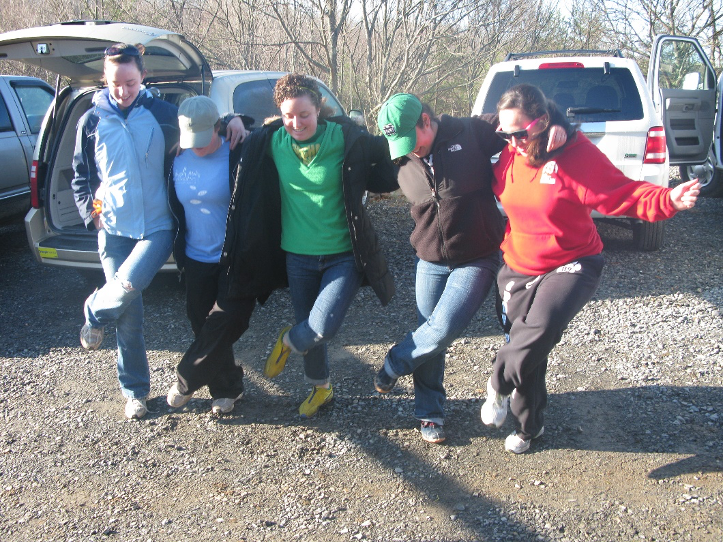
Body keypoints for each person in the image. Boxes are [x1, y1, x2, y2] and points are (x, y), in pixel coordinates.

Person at [480, 83, 700, 453]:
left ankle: (497, 383)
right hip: (519, 267)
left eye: (520, 133)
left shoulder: (574, 155)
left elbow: (624, 191)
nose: (513, 141)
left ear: (542, 122)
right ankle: (529, 427)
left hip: (573, 261)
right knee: (529, 351)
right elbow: (467, 130)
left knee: (541, 326)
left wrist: (668, 199)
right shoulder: (508, 154)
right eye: (506, 133)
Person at [374, 94, 566, 444]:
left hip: (477, 256)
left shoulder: (472, 131)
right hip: (429, 260)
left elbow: (523, 118)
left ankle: (395, 362)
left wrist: (556, 125)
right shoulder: (398, 153)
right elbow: (339, 141)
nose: (408, 151)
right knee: (428, 334)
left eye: (411, 139)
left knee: (443, 327)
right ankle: (430, 412)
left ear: (427, 122)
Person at [72, 44, 244, 419]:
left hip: (156, 227)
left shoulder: (163, 114)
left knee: (128, 287)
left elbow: (202, 118)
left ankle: (94, 309)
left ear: (143, 77)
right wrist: (90, 212)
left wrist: (235, 117)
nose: (123, 90)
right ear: (105, 79)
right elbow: (81, 174)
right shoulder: (91, 121)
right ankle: (134, 391)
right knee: (128, 315)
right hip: (114, 228)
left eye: (130, 82)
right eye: (116, 83)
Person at [225, 73, 398, 419]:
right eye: (288, 115)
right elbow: (233, 139)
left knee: (321, 327)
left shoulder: (346, 138)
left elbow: (392, 155)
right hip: (298, 256)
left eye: (303, 114)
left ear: (318, 108)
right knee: (311, 326)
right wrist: (231, 120)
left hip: (344, 255)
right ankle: (321, 390)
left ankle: (288, 340)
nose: (296, 122)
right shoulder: (272, 142)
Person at [165, 96, 252, 415]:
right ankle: (227, 388)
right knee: (203, 327)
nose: (197, 147)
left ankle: (186, 379)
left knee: (228, 321)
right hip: (195, 259)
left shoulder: (238, 151)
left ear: (219, 127)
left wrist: (239, 117)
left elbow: (273, 129)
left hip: (233, 260)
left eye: (204, 139)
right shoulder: (174, 157)